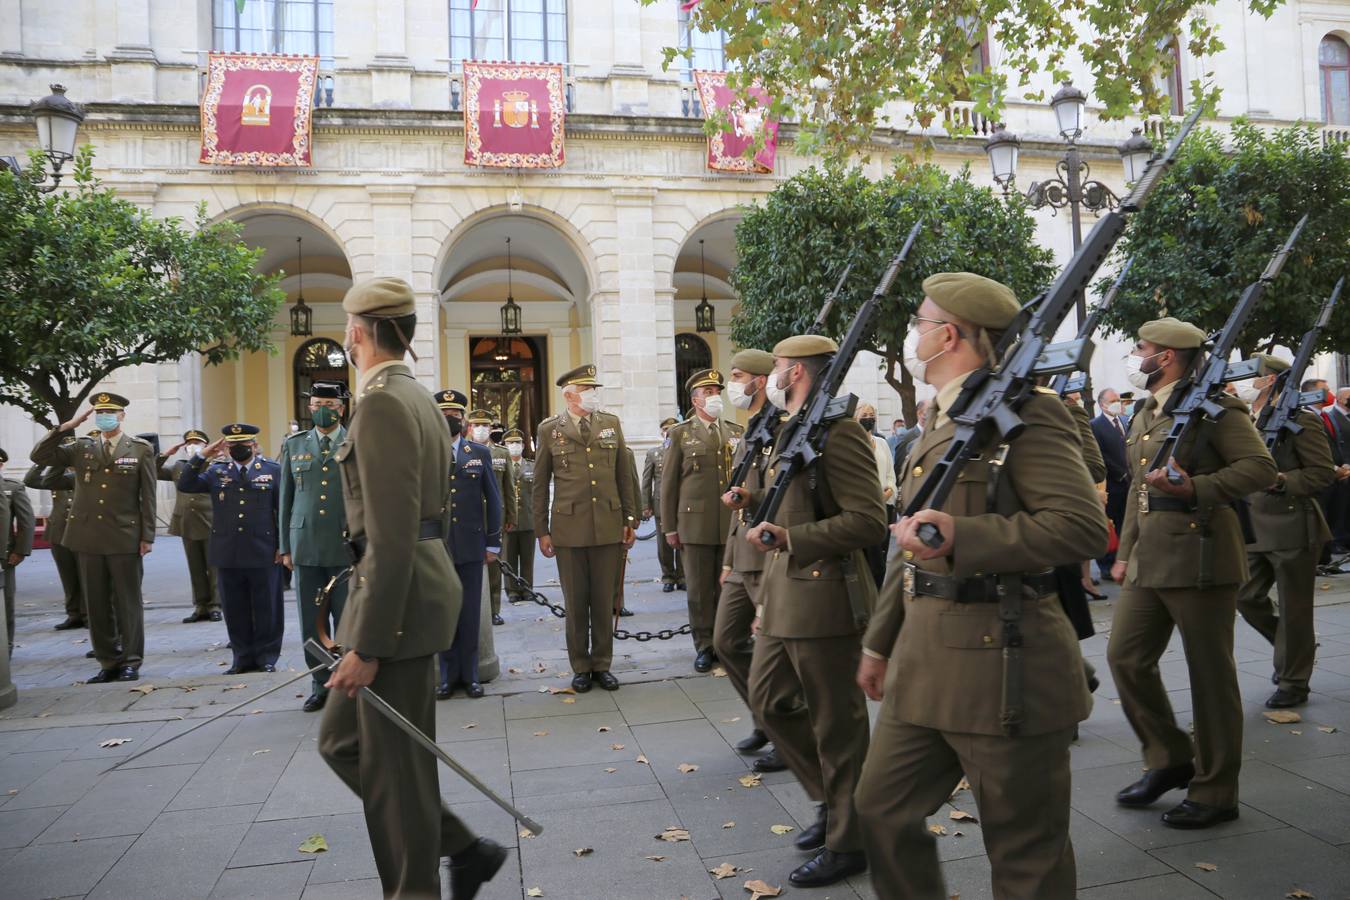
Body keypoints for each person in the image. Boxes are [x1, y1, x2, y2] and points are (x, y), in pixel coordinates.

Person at [852, 274, 1105, 898]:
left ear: (949, 334)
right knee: (881, 810)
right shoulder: (941, 416)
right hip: (924, 661)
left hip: (1002, 660)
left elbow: (1080, 528)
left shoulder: (1029, 411)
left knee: (1025, 854)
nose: (913, 333)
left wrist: (964, 534)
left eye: (920, 322)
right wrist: (880, 641)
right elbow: (907, 551)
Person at [318, 276, 505, 898]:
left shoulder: (381, 403)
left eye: (349, 328)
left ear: (358, 332)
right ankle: (463, 848)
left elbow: (393, 533)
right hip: (402, 586)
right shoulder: (414, 395)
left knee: (395, 767)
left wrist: (368, 645)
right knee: (343, 742)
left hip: (395, 598)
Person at [1108, 317, 1277, 829]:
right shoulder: (1145, 410)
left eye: (1143, 348)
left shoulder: (1215, 409)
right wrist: (1125, 551)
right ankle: (1170, 757)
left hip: (1200, 555)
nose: (1136, 355)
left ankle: (1216, 790)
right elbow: (1140, 489)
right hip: (1149, 558)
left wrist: (1196, 487)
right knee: (1125, 659)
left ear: (1168, 357)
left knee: (1210, 678)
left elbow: (1260, 469)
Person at [735, 334, 886, 888]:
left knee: (837, 725)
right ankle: (832, 799)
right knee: (769, 701)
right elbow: (793, 501)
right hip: (785, 595)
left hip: (825, 598)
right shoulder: (794, 428)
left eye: (776, 365)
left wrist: (792, 537)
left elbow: (869, 520)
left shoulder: (840, 434)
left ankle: (851, 840)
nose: (770, 372)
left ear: (795, 370)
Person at [31, 392, 156, 683]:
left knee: (127, 601)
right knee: (96, 603)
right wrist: (65, 426)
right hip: (86, 536)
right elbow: (39, 456)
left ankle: (131, 661)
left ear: (122, 415)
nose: (105, 416)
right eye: (100, 412)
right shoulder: (80, 447)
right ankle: (108, 660)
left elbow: (148, 496)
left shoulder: (139, 449)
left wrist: (147, 535)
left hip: (124, 534)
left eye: (111, 411)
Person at [1236, 356, 1335, 708]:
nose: (1247, 382)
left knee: (1296, 610)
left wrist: (1280, 480)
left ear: (1272, 380)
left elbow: (1321, 474)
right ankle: (1290, 646)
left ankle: (1294, 681)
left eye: (1254, 377)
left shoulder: (1300, 421)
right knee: (1245, 597)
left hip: (1292, 525)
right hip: (1250, 527)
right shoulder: (1244, 419)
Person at [532, 364, 638, 693]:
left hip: (608, 523)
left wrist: (629, 519)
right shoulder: (551, 429)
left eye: (595, 390)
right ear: (569, 395)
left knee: (604, 600)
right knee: (576, 603)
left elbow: (624, 474)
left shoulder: (610, 424)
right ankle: (580, 665)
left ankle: (602, 664)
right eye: (587, 390)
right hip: (568, 528)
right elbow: (539, 483)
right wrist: (542, 530)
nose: (594, 395)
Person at [714, 348, 788, 771]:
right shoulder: (749, 431)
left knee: (778, 651)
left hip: (769, 552)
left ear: (760, 381)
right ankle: (766, 715)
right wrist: (728, 555)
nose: (732, 384)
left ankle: (786, 729)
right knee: (726, 641)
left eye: (738, 375)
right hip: (742, 556)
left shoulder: (780, 430)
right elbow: (737, 497)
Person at [178, 425, 284, 674]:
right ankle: (242, 658)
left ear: (254, 445)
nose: (238, 448)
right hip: (228, 551)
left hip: (264, 550)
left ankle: (266, 657)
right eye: (232, 443)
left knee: (267, 607)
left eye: (243, 443)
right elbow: (186, 484)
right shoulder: (216, 472)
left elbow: (282, 510)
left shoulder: (271, 471)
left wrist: (283, 546)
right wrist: (202, 455)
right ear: (225, 446)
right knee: (235, 608)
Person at [661, 368, 744, 672]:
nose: (715, 398)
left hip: (730, 524)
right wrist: (669, 527)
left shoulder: (736, 431)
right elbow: (668, 485)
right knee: (698, 590)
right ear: (695, 401)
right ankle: (704, 645)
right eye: (708, 393)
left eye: (716, 392)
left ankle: (725, 642)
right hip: (693, 525)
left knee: (728, 588)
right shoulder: (680, 433)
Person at [278, 383, 351, 711]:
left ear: (341, 409)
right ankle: (320, 682)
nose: (324, 408)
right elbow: (285, 499)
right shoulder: (294, 445)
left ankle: (347, 681)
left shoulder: (355, 442)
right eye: (318, 403)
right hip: (305, 545)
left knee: (347, 618)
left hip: (345, 546)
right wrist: (285, 547)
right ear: (309, 407)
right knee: (312, 621)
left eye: (330, 404)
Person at [434, 389, 502, 700]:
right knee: (444, 613)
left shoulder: (479, 453)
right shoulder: (425, 452)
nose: (450, 419)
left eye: (455, 415)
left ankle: (471, 675)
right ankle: (447, 676)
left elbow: (494, 501)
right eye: (444, 414)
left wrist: (493, 543)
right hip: (437, 547)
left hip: (472, 545)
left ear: (463, 419)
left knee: (471, 612)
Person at [155, 430, 221, 625]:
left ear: (207, 445)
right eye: (190, 443)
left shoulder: (216, 466)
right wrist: (165, 454)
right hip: (187, 521)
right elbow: (152, 471)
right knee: (195, 567)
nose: (193, 446)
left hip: (211, 521)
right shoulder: (179, 466)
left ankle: (216, 605)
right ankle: (200, 605)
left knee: (214, 567)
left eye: (198, 443)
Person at [466, 408, 516, 626]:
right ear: (469, 427)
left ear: (491, 428)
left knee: (495, 565)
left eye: (485, 425)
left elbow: (509, 488)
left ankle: (494, 608)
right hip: (471, 517)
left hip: (495, 517)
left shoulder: (502, 453)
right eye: (476, 425)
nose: (480, 430)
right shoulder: (464, 451)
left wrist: (511, 516)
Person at [24, 458, 84, 630]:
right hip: (58, 531)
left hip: (83, 532)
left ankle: (89, 615)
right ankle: (74, 614)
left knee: (87, 578)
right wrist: (45, 459)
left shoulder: (89, 473)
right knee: (68, 576)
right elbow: (30, 480)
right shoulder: (58, 475)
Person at [856, 402, 897, 588]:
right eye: (864, 414)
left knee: (881, 556)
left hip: (885, 508)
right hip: (864, 511)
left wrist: (887, 494)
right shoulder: (852, 444)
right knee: (870, 562)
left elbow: (890, 475)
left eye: (871, 414)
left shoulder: (881, 443)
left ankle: (878, 595)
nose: (868, 418)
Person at [1092, 387, 1132, 579]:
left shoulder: (1125, 421)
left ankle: (1124, 560)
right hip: (1111, 484)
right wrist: (1121, 473)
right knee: (1109, 525)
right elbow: (1099, 455)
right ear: (1102, 404)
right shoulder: (1095, 425)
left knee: (1126, 523)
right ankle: (1107, 565)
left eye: (1118, 399)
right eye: (1114, 400)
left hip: (1129, 483)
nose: (1118, 403)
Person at [642, 417, 684, 592]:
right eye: (666, 429)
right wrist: (646, 505)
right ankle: (668, 576)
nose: (669, 431)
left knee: (682, 542)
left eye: (673, 428)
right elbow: (646, 481)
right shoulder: (654, 453)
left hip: (682, 504)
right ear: (662, 432)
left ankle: (682, 576)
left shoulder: (684, 451)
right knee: (664, 544)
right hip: (661, 504)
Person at [0, 449, 35, 654]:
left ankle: (6, 647)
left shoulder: (11, 488)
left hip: (3, 557)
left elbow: (27, 521)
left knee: (5, 604)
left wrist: (20, 551)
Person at [503, 429, 536, 605]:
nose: (514, 446)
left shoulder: (532, 466)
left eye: (517, 443)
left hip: (528, 519)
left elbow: (538, 496)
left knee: (527, 557)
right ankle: (512, 590)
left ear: (523, 446)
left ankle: (527, 587)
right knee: (508, 557)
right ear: (505, 446)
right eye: (510, 443)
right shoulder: (501, 466)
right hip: (508, 520)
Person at [891, 399, 928, 473]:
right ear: (919, 413)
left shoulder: (935, 434)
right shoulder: (906, 438)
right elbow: (899, 468)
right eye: (931, 411)